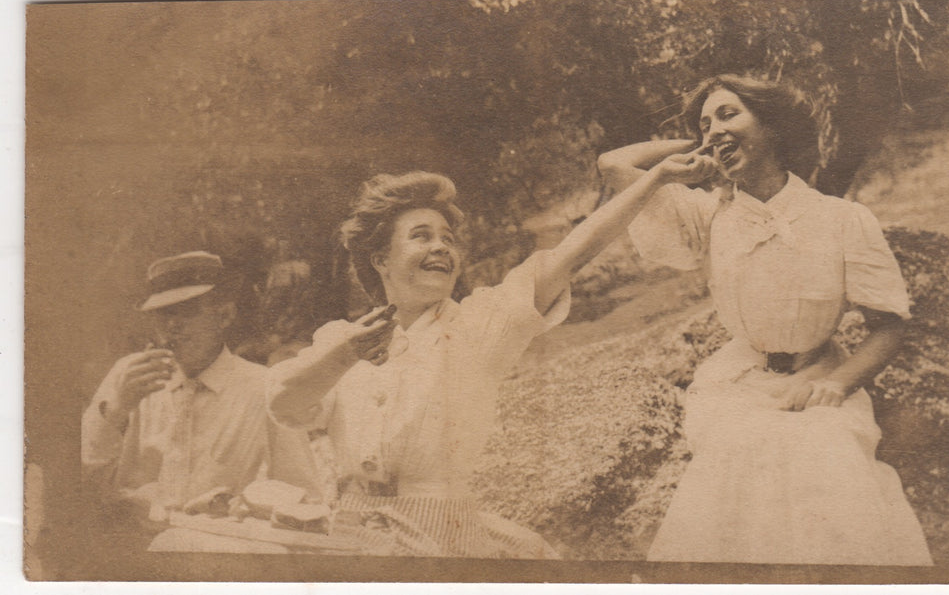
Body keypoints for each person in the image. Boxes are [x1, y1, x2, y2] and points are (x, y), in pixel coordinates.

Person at [267, 167, 712, 557]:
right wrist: (345, 356)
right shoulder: (341, 340)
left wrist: (654, 180)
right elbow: (284, 406)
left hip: (440, 536)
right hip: (349, 533)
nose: (441, 248)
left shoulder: (479, 327)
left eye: (448, 239)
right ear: (381, 259)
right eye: (421, 235)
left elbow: (571, 253)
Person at [598, 74, 932, 565]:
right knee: (735, 467)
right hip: (740, 383)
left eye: (729, 113)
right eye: (705, 122)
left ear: (774, 124)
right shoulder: (706, 217)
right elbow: (613, 164)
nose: (714, 129)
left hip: (819, 376)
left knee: (831, 459)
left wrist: (838, 385)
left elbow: (889, 325)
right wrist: (704, 142)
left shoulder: (842, 219)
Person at [81, 251, 270, 521]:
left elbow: (296, 495)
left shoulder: (262, 388)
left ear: (225, 315)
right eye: (162, 314)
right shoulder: (129, 376)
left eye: (188, 311)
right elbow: (80, 478)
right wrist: (117, 411)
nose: (172, 326)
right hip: (135, 547)